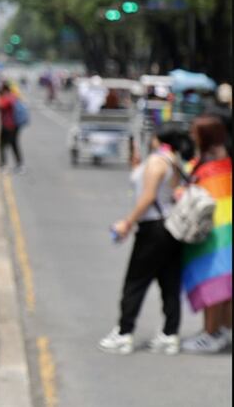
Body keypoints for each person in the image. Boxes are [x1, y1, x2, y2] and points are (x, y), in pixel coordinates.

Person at [98, 126, 192, 354]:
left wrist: (127, 223)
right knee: (169, 283)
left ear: (157, 138)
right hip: (171, 226)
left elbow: (148, 196)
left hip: (153, 228)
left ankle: (124, 332)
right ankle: (170, 334)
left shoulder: (156, 162)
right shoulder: (172, 160)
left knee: (135, 282)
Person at [179, 114, 233, 353]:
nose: (191, 135)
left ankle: (211, 333)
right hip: (224, 227)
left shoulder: (209, 162)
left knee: (212, 280)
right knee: (224, 283)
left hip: (215, 230)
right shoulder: (223, 157)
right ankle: (222, 330)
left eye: (195, 131)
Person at [0, 82, 24, 173]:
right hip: (15, 125)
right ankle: (20, 164)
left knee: (2, 145)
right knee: (14, 144)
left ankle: (4, 165)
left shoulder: (7, 98)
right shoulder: (14, 96)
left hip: (8, 125)